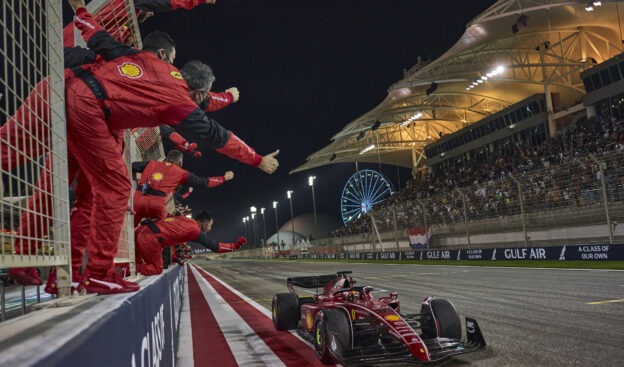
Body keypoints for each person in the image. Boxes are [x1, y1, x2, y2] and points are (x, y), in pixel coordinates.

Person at [25, 0, 279, 295]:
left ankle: (74, 273)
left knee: (84, 192)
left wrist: (81, 11)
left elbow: (99, 38)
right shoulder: (176, 102)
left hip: (71, 91)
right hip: (90, 112)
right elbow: (215, 137)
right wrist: (255, 160)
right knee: (112, 191)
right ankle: (97, 272)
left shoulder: (147, 62)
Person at [132, 149, 234, 226]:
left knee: (129, 227)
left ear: (167, 158)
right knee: (160, 230)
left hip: (139, 197)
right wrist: (224, 178)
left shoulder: (152, 163)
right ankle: (147, 227)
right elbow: (204, 182)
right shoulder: (182, 173)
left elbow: (132, 166)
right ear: (180, 163)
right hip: (157, 204)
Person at [135, 212, 245, 275]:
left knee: (138, 261)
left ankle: (126, 270)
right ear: (204, 224)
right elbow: (215, 247)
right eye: (210, 225)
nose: (210, 229)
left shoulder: (183, 219)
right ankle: (128, 270)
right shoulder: (194, 230)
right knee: (157, 268)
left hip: (141, 230)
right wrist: (235, 246)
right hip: (149, 239)